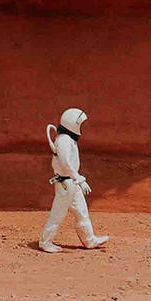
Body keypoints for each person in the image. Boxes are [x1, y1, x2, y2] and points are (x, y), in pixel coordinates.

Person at [38, 107, 110, 253]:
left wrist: (77, 179)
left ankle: (89, 240)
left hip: (72, 183)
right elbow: (65, 163)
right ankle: (45, 242)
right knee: (58, 214)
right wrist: (78, 178)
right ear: (73, 124)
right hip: (66, 184)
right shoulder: (64, 140)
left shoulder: (69, 140)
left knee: (82, 212)